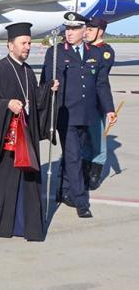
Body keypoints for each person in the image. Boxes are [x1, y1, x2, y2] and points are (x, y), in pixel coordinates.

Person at [0, 23, 58, 241]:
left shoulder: (28, 71)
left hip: (26, 137)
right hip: (7, 139)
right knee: (5, 181)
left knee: (27, 181)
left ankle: (25, 225)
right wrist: (6, 104)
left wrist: (48, 90)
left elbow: (35, 100)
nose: (27, 47)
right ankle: (4, 224)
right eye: (23, 43)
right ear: (10, 45)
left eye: (29, 43)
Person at [40, 12, 116, 218]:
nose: (70, 32)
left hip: (88, 114)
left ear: (84, 31)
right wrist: (50, 87)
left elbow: (101, 84)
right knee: (74, 156)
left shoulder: (96, 53)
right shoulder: (56, 52)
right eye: (68, 28)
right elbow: (45, 81)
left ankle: (62, 190)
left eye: (74, 28)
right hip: (66, 114)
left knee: (75, 155)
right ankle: (81, 201)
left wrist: (109, 109)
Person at [83, 17, 115, 190]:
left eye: (90, 29)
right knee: (83, 140)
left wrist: (109, 109)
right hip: (80, 103)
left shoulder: (105, 51)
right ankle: (83, 170)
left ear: (100, 31)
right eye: (86, 29)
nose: (86, 32)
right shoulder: (83, 48)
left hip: (95, 103)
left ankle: (94, 174)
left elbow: (101, 82)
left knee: (97, 141)